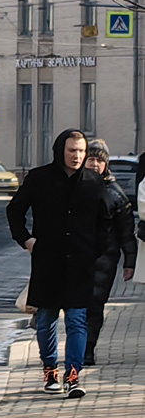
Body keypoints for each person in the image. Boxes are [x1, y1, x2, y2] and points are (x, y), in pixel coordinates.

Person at [6, 129, 111, 397]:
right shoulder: (40, 178)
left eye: (81, 151)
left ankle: (73, 376)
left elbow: (104, 220)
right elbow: (15, 209)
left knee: (77, 320)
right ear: (60, 151)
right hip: (48, 261)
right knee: (47, 320)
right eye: (71, 151)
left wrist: (95, 249)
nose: (77, 156)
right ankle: (50, 373)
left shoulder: (93, 181)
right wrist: (27, 240)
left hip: (81, 263)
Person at [84, 139, 136, 365]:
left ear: (106, 165)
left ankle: (88, 350)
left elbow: (126, 230)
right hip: (77, 255)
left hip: (105, 257)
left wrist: (129, 261)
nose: (94, 164)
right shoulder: (73, 187)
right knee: (76, 306)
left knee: (94, 304)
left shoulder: (115, 194)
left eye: (99, 160)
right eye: (91, 159)